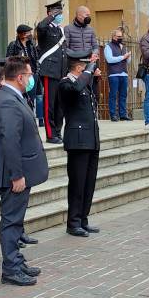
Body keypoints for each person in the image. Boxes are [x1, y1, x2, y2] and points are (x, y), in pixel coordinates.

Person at [0, 56, 48, 286]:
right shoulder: (7, 101)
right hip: (11, 174)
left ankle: (16, 260)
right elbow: (9, 141)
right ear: (21, 77)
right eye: (30, 75)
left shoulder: (12, 97)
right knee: (11, 222)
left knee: (16, 220)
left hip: (16, 171)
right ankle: (11, 268)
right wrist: (17, 175)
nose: (32, 78)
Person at [59, 54, 101, 237]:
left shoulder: (84, 82)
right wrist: (89, 70)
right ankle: (73, 222)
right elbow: (76, 89)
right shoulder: (66, 83)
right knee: (77, 183)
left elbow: (93, 103)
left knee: (89, 183)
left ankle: (83, 219)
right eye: (86, 66)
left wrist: (94, 78)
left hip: (91, 139)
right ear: (78, 68)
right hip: (77, 141)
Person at [35, 0, 66, 143]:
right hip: (49, 71)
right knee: (50, 104)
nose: (60, 15)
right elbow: (40, 26)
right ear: (50, 13)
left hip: (60, 71)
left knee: (60, 105)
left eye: (60, 13)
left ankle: (58, 131)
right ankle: (50, 133)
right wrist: (51, 17)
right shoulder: (45, 29)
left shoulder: (60, 30)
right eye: (57, 13)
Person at [64, 5, 99, 100]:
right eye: (86, 14)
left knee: (90, 89)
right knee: (77, 89)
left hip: (89, 62)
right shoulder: (68, 29)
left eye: (89, 15)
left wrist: (94, 54)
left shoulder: (91, 29)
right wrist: (77, 56)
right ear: (79, 15)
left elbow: (95, 46)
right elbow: (65, 48)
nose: (89, 17)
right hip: (75, 64)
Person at [7, 24, 38, 112]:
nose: (30, 34)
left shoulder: (31, 45)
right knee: (20, 97)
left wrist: (36, 72)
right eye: (28, 33)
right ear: (22, 34)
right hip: (19, 76)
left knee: (31, 98)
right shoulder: (13, 45)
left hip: (31, 75)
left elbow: (36, 59)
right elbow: (9, 60)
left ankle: (30, 116)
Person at [103, 28, 131, 121]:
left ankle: (123, 114)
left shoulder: (124, 46)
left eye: (121, 36)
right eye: (118, 36)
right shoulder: (108, 46)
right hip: (114, 74)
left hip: (124, 74)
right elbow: (109, 60)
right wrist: (123, 57)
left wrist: (128, 57)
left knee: (123, 95)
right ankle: (113, 114)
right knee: (113, 95)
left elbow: (128, 62)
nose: (120, 38)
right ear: (113, 37)